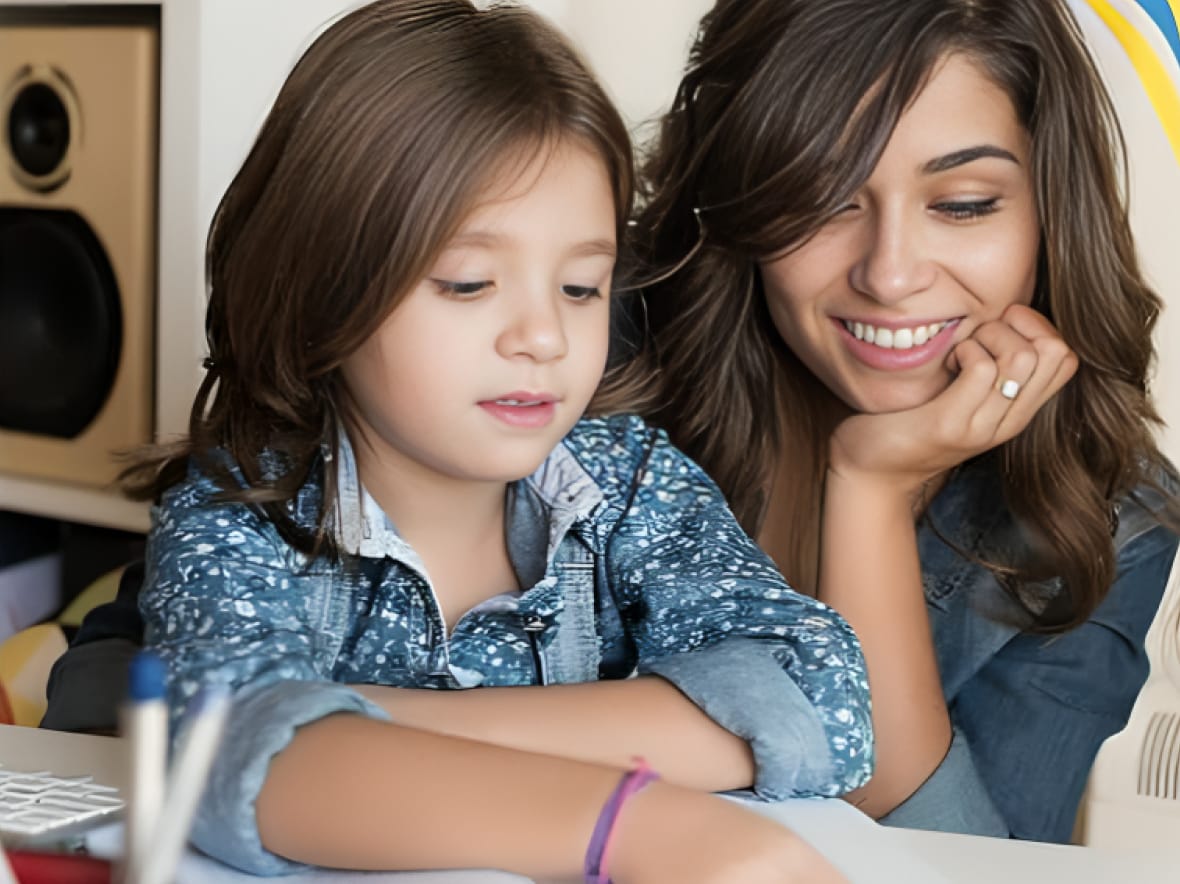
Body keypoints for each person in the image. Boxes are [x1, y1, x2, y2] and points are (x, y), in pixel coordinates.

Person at [106, 0, 873, 879]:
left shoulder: (631, 484)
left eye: (582, 288)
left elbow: (821, 701)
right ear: (323, 286)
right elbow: (227, 754)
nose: (543, 337)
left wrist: (349, 719)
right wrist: (635, 822)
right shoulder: (241, 507)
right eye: (470, 284)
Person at [617, 0, 1180, 844]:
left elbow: (970, 864)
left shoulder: (1108, 515)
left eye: (961, 204)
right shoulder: (583, 354)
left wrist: (870, 489)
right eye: (824, 197)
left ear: (1046, 211)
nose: (889, 275)